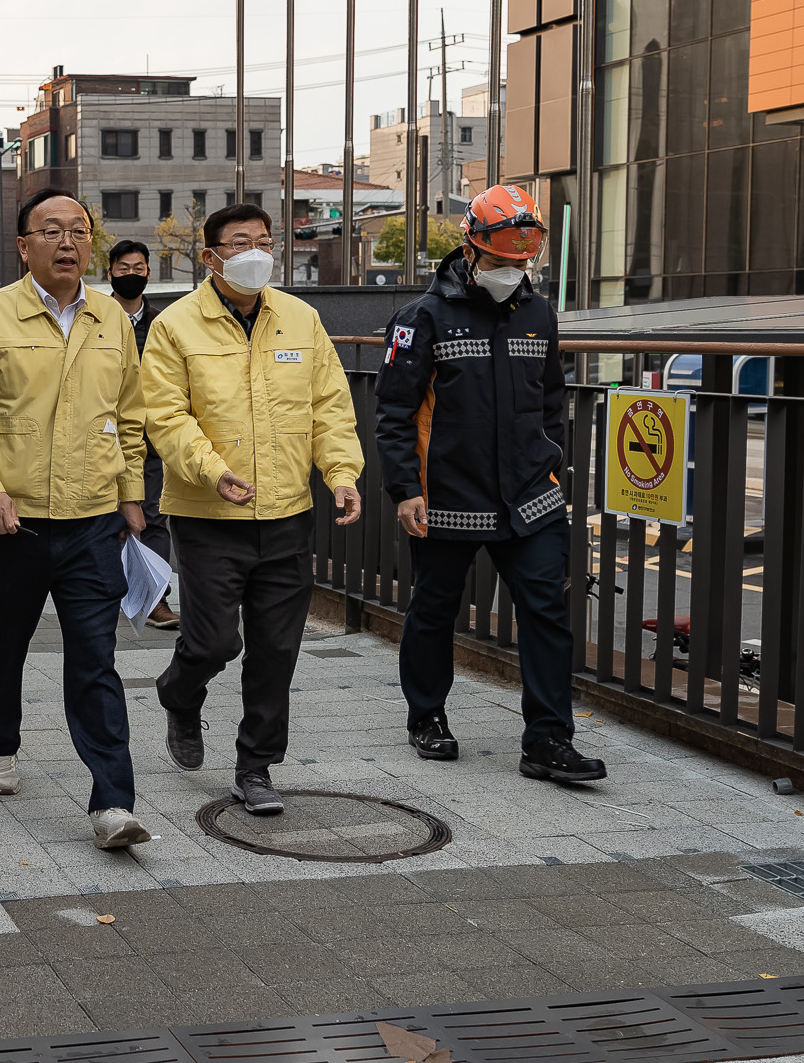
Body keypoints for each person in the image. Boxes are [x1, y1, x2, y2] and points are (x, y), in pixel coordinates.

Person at [376, 184, 603, 782]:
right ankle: (426, 716)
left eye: (522, 261)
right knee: (434, 610)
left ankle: (548, 741)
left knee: (547, 614)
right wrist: (406, 490)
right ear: (473, 249)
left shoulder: (538, 314)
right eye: (502, 261)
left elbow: (550, 403)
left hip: (531, 496)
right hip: (448, 495)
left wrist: (550, 466)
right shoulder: (423, 318)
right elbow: (394, 412)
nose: (513, 271)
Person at [142, 203, 364, 812]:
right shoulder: (176, 326)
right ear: (210, 256)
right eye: (241, 242)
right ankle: (180, 695)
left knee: (276, 649)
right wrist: (213, 471)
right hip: (208, 514)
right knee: (214, 644)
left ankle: (256, 765)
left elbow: (329, 407)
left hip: (287, 512)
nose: (256, 251)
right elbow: (164, 415)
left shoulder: (301, 319)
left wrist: (341, 473)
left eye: (264, 240)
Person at [0, 188, 154, 851]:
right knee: (4, 639)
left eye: (78, 230)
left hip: (93, 519)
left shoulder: (111, 320)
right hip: (13, 521)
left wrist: (131, 495)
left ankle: (112, 800)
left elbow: (129, 415)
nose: (67, 242)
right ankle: (1, 743)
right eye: (51, 231)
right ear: (23, 245)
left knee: (96, 656)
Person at [104, 239, 177, 629]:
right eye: (123, 268)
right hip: (97, 434)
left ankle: (154, 601)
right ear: (110, 272)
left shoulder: (163, 323)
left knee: (151, 518)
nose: (131, 275)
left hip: (147, 438)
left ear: (149, 272)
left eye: (138, 268)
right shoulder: (95, 316)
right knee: (101, 519)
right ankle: (106, 594)